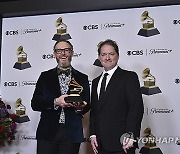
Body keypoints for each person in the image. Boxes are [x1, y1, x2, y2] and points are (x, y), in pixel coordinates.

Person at [31, 40, 90, 154]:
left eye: (66, 50)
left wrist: (80, 107)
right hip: (47, 132)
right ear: (54, 54)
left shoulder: (82, 78)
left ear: (72, 53)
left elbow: (87, 104)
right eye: (59, 50)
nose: (63, 53)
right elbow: (35, 104)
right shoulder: (45, 76)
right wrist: (56, 102)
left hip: (72, 133)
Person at [89, 39, 144, 154]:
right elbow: (94, 111)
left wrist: (131, 135)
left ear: (118, 56)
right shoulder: (95, 82)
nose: (107, 58)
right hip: (100, 144)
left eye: (111, 54)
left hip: (122, 143)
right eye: (103, 54)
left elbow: (136, 108)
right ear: (99, 57)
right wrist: (93, 134)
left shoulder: (129, 77)